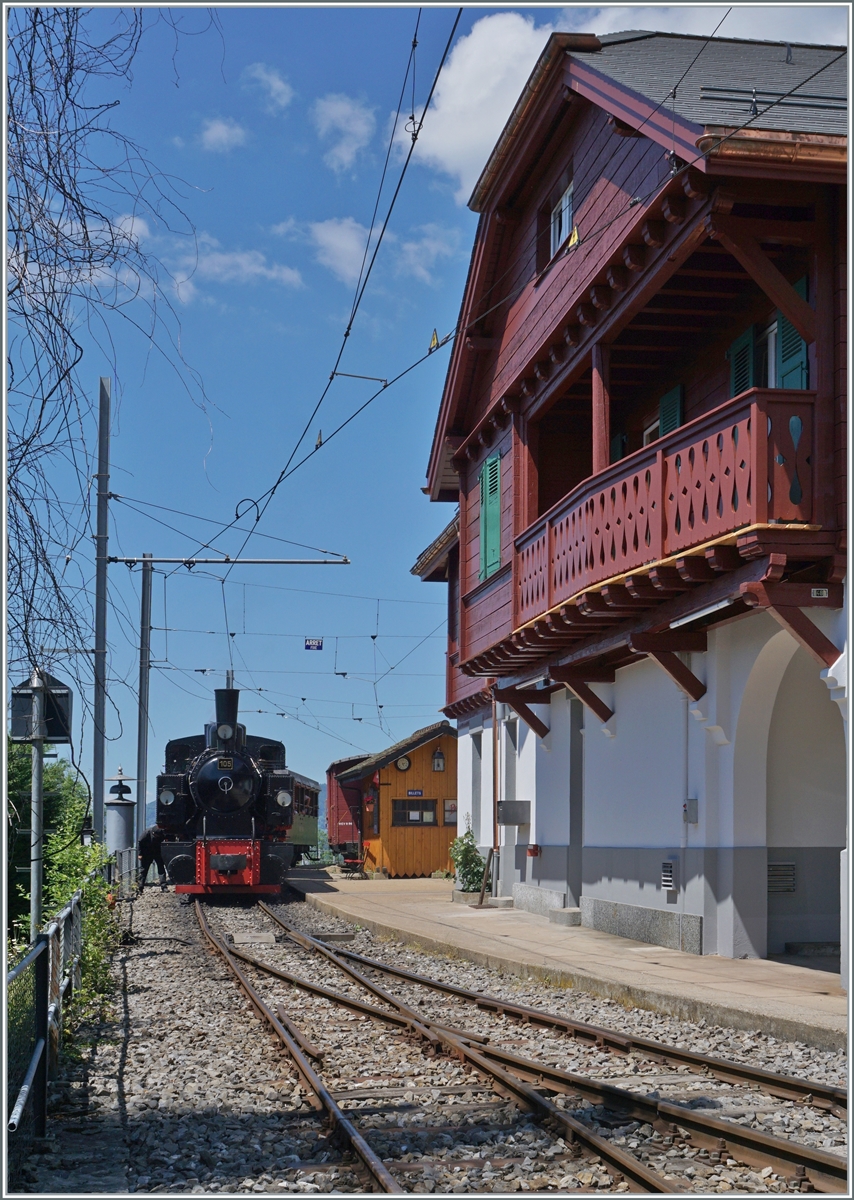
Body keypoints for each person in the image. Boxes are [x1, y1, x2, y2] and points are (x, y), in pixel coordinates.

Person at [138, 824, 168, 892]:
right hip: (147, 852)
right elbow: (140, 842)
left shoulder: (161, 834)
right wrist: (140, 854)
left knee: (161, 868)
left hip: (157, 852)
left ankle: (163, 886)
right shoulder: (146, 833)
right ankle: (140, 886)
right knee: (144, 870)